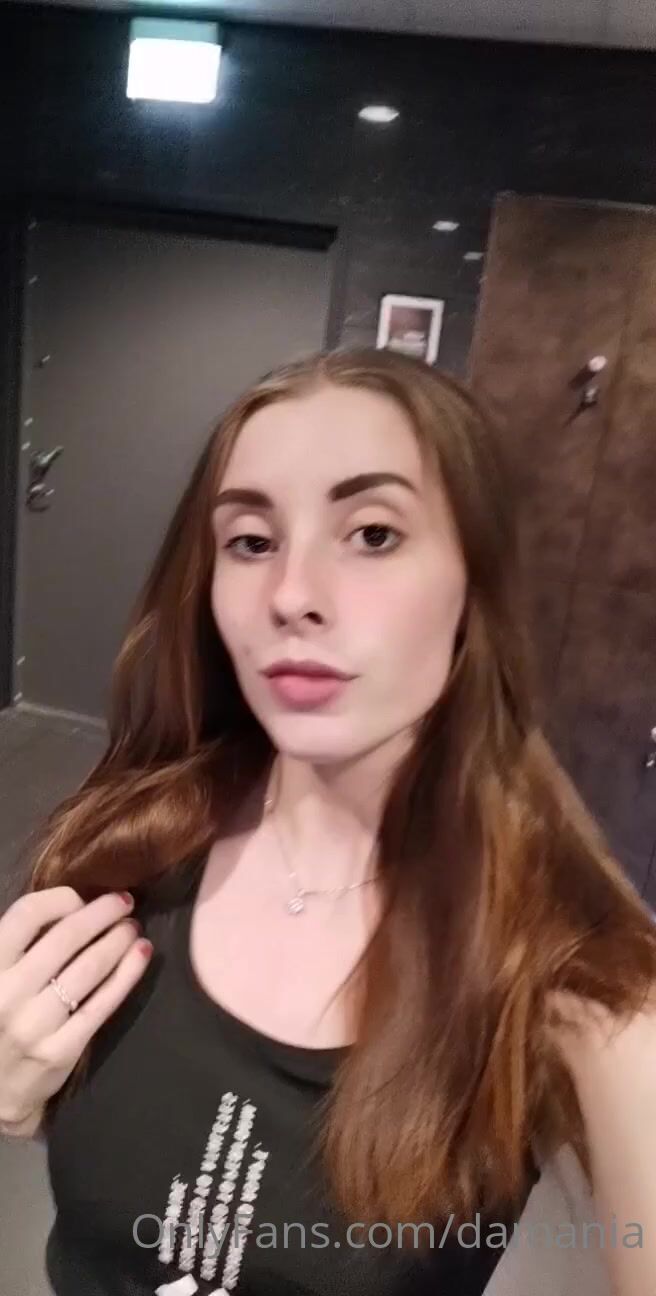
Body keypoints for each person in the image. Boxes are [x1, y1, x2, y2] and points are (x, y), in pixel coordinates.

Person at [1, 346, 655, 1296]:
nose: (292, 595)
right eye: (250, 542)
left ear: (473, 586)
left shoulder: (575, 979)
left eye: (373, 534)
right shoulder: (127, 852)